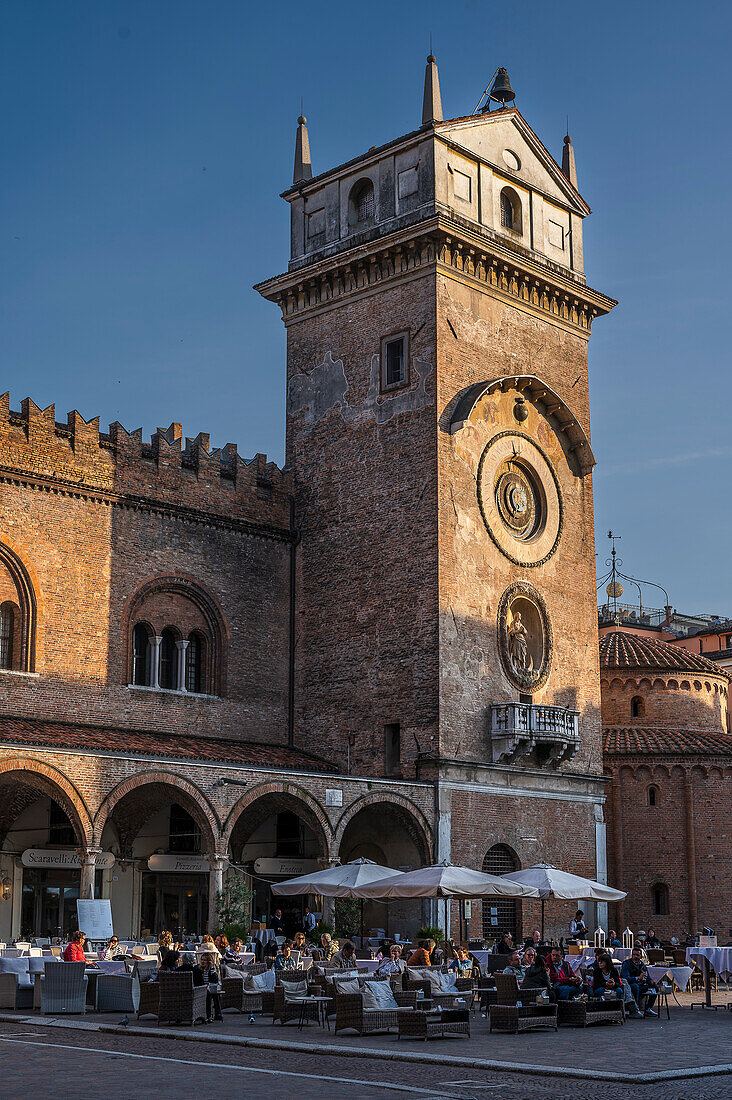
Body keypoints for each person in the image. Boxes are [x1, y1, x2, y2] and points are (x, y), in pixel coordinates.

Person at [621, 947, 658, 1017]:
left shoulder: (642, 965)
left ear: (641, 956)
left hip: (641, 985)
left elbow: (648, 978)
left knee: (655, 987)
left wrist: (652, 982)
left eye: (637, 955)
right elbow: (625, 978)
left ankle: (648, 1008)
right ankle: (635, 1009)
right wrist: (637, 978)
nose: (635, 957)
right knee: (635, 986)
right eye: (634, 955)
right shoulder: (627, 964)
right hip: (630, 985)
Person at [200, 951, 224, 1022]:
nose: (203, 962)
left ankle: (218, 1014)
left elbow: (215, 980)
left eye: (205, 960)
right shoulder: (198, 969)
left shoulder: (211, 970)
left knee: (216, 995)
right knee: (209, 994)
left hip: (209, 988)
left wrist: (212, 968)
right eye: (202, 959)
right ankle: (209, 1015)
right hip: (201, 989)